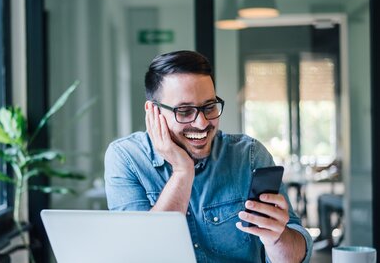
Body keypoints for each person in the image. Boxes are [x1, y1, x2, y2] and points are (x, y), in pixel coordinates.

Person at [104, 50, 312, 262]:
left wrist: (277, 239)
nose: (202, 123)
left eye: (209, 107)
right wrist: (183, 171)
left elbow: (293, 256)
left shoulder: (248, 156)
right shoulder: (126, 158)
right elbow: (141, 256)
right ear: (153, 112)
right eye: (184, 111)